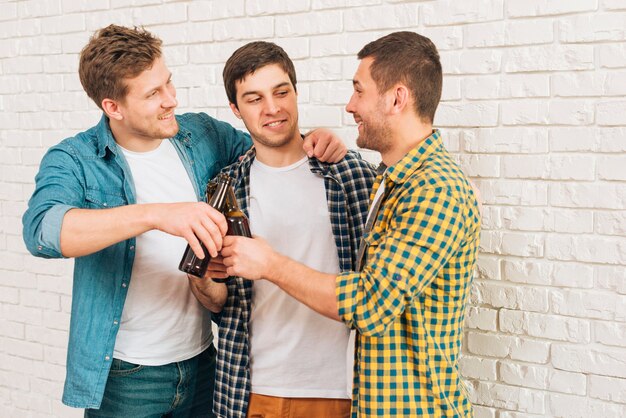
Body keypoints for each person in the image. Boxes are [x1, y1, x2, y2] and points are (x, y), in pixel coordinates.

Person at [21, 25, 346, 417]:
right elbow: (43, 231)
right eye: (153, 94)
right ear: (113, 107)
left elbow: (272, 148)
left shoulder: (200, 134)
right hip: (128, 377)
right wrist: (157, 215)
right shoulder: (75, 159)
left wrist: (316, 138)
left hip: (204, 365)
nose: (171, 100)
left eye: (168, 83)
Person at [220, 31, 481, 417]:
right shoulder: (390, 181)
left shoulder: (433, 189)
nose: (349, 106)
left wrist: (270, 264)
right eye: (254, 98)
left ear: (396, 98)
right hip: (332, 397)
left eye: (359, 91)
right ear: (236, 108)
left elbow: (371, 303)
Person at [188, 41, 377, 418]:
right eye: (254, 98)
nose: (272, 108)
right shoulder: (224, 189)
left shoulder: (350, 175)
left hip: (340, 390)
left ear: (295, 91)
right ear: (235, 110)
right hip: (251, 391)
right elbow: (217, 302)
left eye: (281, 92)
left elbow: (381, 281)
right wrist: (206, 281)